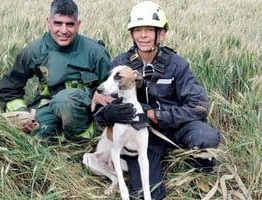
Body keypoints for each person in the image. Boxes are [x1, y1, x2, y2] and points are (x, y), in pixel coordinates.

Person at [92, 1, 221, 199]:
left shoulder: (177, 65)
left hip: (174, 125)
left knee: (205, 136)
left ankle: (198, 164)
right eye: (138, 30)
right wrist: (108, 114)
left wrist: (156, 114)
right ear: (131, 34)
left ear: (161, 34)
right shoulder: (120, 64)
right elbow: (101, 105)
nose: (143, 35)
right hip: (141, 135)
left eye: (149, 30)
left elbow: (200, 106)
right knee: (146, 194)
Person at [0, 0, 114, 142]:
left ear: (78, 25)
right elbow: (9, 88)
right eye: (58, 23)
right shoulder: (34, 50)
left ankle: (81, 139)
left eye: (70, 24)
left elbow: (111, 91)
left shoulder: (95, 52)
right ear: (48, 22)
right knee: (36, 137)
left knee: (65, 100)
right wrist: (22, 114)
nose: (64, 30)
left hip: (82, 109)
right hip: (48, 107)